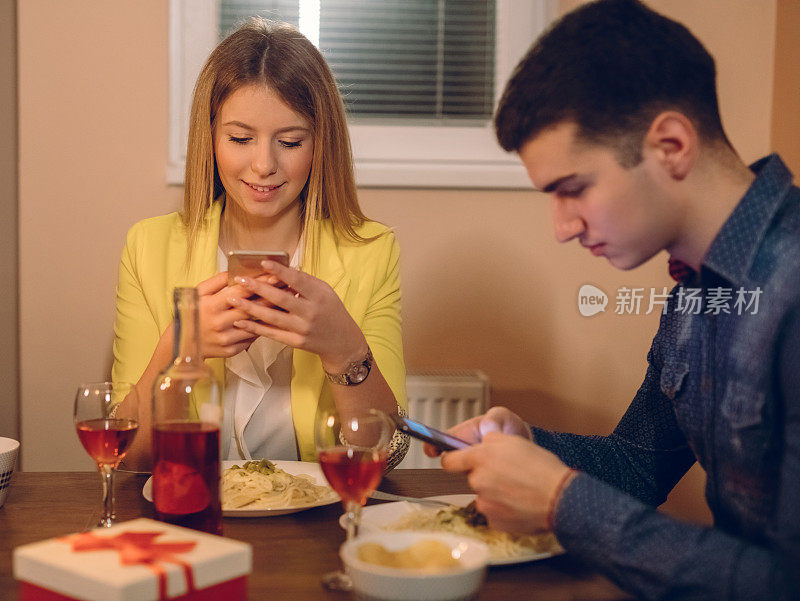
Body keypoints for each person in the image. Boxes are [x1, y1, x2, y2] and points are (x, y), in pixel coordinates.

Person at [426, 1, 800, 599]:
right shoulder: (695, 293)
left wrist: (558, 500)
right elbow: (639, 463)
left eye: (573, 189)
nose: (561, 227)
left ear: (672, 145)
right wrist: (528, 447)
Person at [112, 18, 407, 470]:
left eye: (289, 141)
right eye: (240, 138)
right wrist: (177, 348)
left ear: (319, 145)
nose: (263, 164)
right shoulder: (148, 247)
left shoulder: (370, 250)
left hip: (314, 525)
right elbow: (129, 458)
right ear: (209, 138)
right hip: (194, 513)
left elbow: (386, 456)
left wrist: (345, 350)